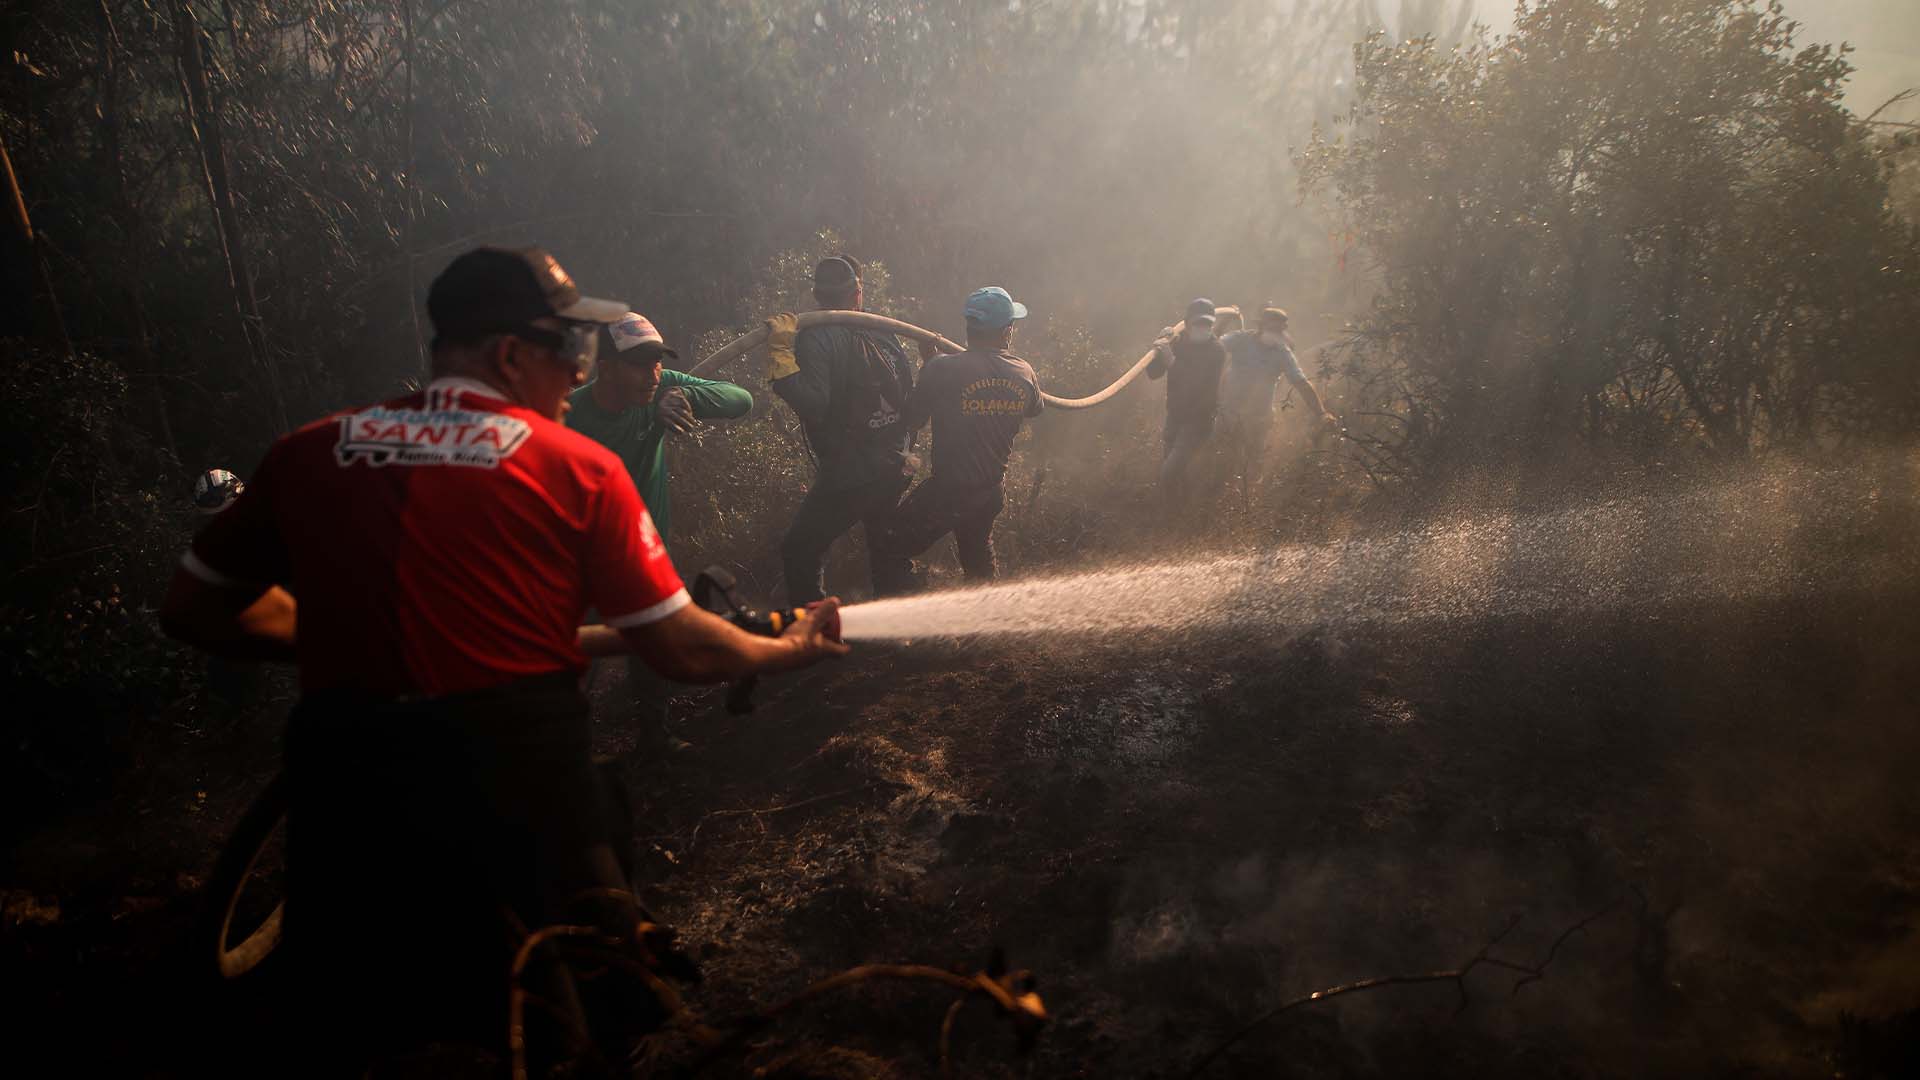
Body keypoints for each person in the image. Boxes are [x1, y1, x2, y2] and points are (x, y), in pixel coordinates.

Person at [158, 246, 848, 1067]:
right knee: (575, 1022)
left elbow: (196, 607)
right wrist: (789, 648)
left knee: (346, 1029)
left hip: (343, 799)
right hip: (516, 793)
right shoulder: (575, 467)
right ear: (510, 354)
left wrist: (376, 639)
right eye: (570, 349)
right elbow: (677, 649)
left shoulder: (308, 452)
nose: (577, 373)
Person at [765, 254, 932, 603]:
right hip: (895, 462)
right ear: (857, 292)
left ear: (817, 295)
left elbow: (812, 403)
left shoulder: (817, 337)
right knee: (884, 546)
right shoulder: (881, 330)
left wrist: (780, 355)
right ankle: (908, 635)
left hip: (852, 473)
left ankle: (816, 633)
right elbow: (910, 402)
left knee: (801, 548)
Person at [873, 287, 1042, 593]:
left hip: (949, 492)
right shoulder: (1024, 373)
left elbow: (913, 419)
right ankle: (986, 630)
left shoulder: (942, 369)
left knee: (887, 544)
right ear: (1006, 332)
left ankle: (906, 625)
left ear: (969, 328)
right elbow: (1033, 408)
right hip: (991, 491)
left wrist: (931, 365)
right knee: (977, 557)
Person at [566, 311, 753, 545]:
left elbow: (742, 400)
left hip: (652, 556)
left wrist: (685, 394)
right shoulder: (567, 419)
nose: (653, 377)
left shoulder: (661, 387)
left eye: (656, 364)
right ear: (606, 370)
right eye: (639, 366)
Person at [1218, 306, 1337, 485]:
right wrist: (1224, 322)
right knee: (1221, 456)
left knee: (1254, 461)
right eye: (1271, 329)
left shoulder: (1282, 353)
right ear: (1261, 327)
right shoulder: (1240, 339)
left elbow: (1301, 383)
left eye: (1278, 330)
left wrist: (1321, 413)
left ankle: (1248, 500)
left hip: (1258, 417)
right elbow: (1214, 346)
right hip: (1229, 413)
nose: (1274, 334)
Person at [1146, 297, 1229, 504]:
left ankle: (1172, 514)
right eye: (1198, 323)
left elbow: (1197, 382)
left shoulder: (1216, 351)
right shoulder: (1178, 343)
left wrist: (1171, 360)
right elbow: (1153, 373)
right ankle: (1181, 516)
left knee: (1168, 473)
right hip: (1175, 416)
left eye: (1207, 323)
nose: (1203, 327)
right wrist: (1158, 349)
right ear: (1188, 322)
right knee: (1178, 475)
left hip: (1199, 421)